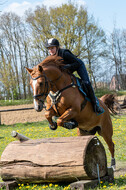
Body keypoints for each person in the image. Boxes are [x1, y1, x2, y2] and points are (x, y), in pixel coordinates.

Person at [45, 38, 104, 114]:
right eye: (49, 49)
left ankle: (95, 104)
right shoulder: (50, 58)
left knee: (86, 83)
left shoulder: (64, 53)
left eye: (52, 48)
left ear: (57, 47)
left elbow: (76, 63)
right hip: (67, 69)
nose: (50, 50)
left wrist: (66, 67)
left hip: (78, 65)